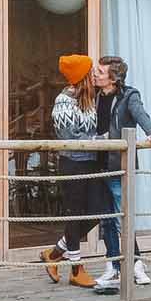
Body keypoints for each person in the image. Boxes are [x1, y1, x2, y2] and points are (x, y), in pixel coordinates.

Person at [43, 54, 114, 285]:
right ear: (81, 76)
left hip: (91, 162)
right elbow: (67, 137)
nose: (94, 74)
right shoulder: (63, 101)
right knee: (75, 213)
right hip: (73, 163)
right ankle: (76, 269)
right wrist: (98, 139)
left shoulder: (89, 98)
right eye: (91, 71)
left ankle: (54, 254)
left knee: (98, 210)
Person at [93, 55, 151, 291]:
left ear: (113, 77)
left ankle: (135, 263)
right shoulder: (93, 95)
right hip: (96, 165)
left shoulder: (129, 96)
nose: (95, 74)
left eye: (100, 72)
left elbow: (141, 115)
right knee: (107, 220)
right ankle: (114, 265)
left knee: (124, 217)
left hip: (118, 165)